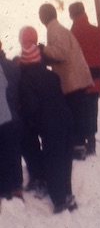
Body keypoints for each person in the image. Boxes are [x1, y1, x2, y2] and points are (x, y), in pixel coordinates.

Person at [17, 26, 76, 213]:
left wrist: (34, 125)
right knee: (66, 159)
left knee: (53, 161)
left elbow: (32, 108)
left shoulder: (26, 80)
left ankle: (59, 201)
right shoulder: (52, 75)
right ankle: (68, 194)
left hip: (50, 127)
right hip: (67, 120)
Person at [38, 3, 93, 160]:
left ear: (43, 17)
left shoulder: (54, 30)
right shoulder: (57, 28)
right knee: (77, 114)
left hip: (71, 80)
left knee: (74, 115)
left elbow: (61, 53)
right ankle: (80, 145)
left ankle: (78, 147)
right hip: (74, 79)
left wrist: (43, 50)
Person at [68, 2, 100, 157]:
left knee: (80, 112)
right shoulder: (98, 31)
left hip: (80, 80)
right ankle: (91, 141)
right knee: (92, 110)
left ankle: (82, 142)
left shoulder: (72, 34)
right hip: (96, 78)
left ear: (71, 15)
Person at [0, 41, 23, 201]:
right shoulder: (7, 67)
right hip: (9, 114)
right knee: (12, 152)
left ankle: (4, 189)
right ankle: (15, 188)